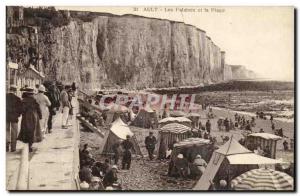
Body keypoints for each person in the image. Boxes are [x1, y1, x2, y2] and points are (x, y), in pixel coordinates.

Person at [18, 87, 43, 152]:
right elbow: (38, 109)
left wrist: (21, 113)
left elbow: (21, 110)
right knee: (33, 130)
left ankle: (27, 144)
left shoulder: (23, 100)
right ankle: (30, 145)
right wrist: (40, 116)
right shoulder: (35, 100)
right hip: (34, 116)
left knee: (26, 130)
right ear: (31, 94)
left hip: (26, 117)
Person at [6, 85, 22, 152]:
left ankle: (6, 145)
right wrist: (18, 115)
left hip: (5, 116)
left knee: (5, 131)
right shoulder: (17, 99)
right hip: (14, 117)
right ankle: (13, 147)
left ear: (9, 89)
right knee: (14, 132)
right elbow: (20, 109)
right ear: (15, 91)